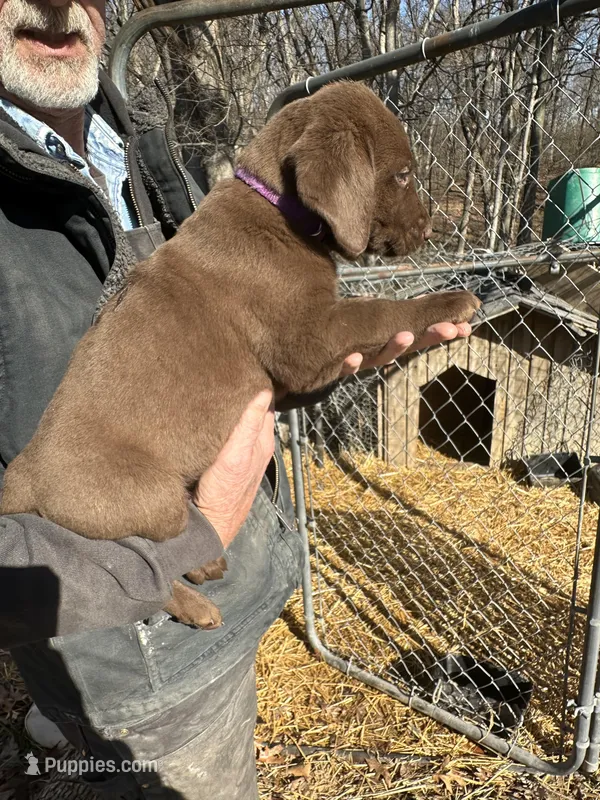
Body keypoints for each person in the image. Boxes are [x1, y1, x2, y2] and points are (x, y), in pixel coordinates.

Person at [0, 0, 472, 796]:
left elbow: (247, 352)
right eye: (397, 181)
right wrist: (197, 533)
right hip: (134, 683)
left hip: (223, 601)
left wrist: (310, 367)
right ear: (340, 183)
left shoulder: (150, 152)